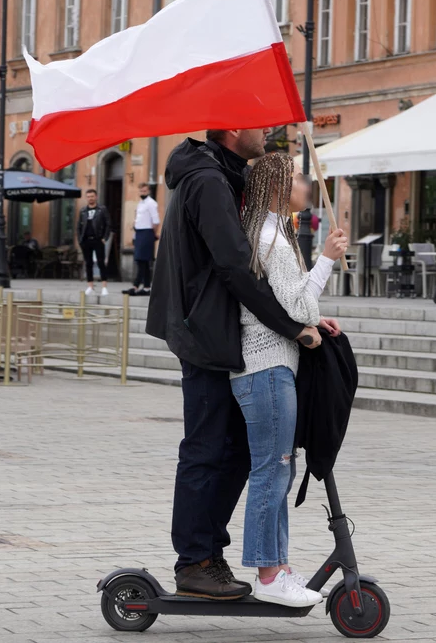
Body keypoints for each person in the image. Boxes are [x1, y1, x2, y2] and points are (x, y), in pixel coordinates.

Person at [146, 128, 325, 601]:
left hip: (218, 334)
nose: (265, 132)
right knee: (206, 450)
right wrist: (292, 328)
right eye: (257, 125)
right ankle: (194, 561)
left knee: (236, 452)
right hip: (206, 335)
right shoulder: (208, 180)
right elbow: (235, 267)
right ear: (231, 128)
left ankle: (209, 553)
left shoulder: (222, 176)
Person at [231, 153, 346, 606]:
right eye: (298, 178)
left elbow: (288, 303)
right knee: (272, 471)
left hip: (272, 365)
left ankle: (276, 565)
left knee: (280, 468)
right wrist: (327, 261)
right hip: (266, 368)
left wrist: (318, 319)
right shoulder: (270, 238)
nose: (304, 183)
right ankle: (267, 573)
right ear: (279, 187)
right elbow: (298, 307)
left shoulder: (273, 233)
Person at [77, 189, 111, 297]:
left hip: (98, 239)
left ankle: (104, 286)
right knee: (88, 263)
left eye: (92, 196)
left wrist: (105, 238)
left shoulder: (102, 209)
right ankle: (90, 286)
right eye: (88, 196)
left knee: (101, 263)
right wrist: (80, 239)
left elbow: (108, 224)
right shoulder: (83, 211)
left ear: (96, 197)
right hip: (86, 240)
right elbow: (79, 226)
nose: (90, 198)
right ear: (86, 198)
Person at [129, 182, 160, 296]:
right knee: (142, 261)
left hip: (147, 232)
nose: (142, 193)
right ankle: (147, 287)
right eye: (141, 191)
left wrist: (153, 234)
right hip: (139, 233)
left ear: (149, 191)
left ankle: (135, 285)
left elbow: (156, 221)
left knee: (142, 259)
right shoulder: (140, 203)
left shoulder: (151, 203)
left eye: (145, 191)